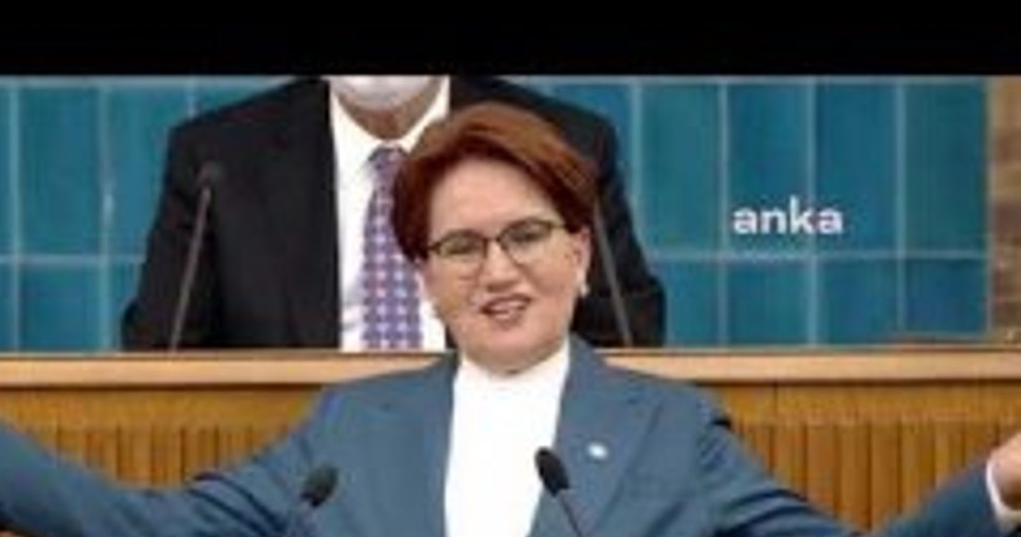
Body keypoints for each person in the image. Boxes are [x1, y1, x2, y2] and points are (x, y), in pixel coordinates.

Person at [0, 103, 1021, 537]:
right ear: (422, 278)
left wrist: (1002, 482)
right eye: (459, 247)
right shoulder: (352, 433)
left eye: (526, 236)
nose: (497, 271)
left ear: (579, 250)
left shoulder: (671, 432)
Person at [121, 75, 665, 351]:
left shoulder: (562, 140)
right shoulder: (217, 159)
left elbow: (624, 339)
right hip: (296, 474)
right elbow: (162, 356)